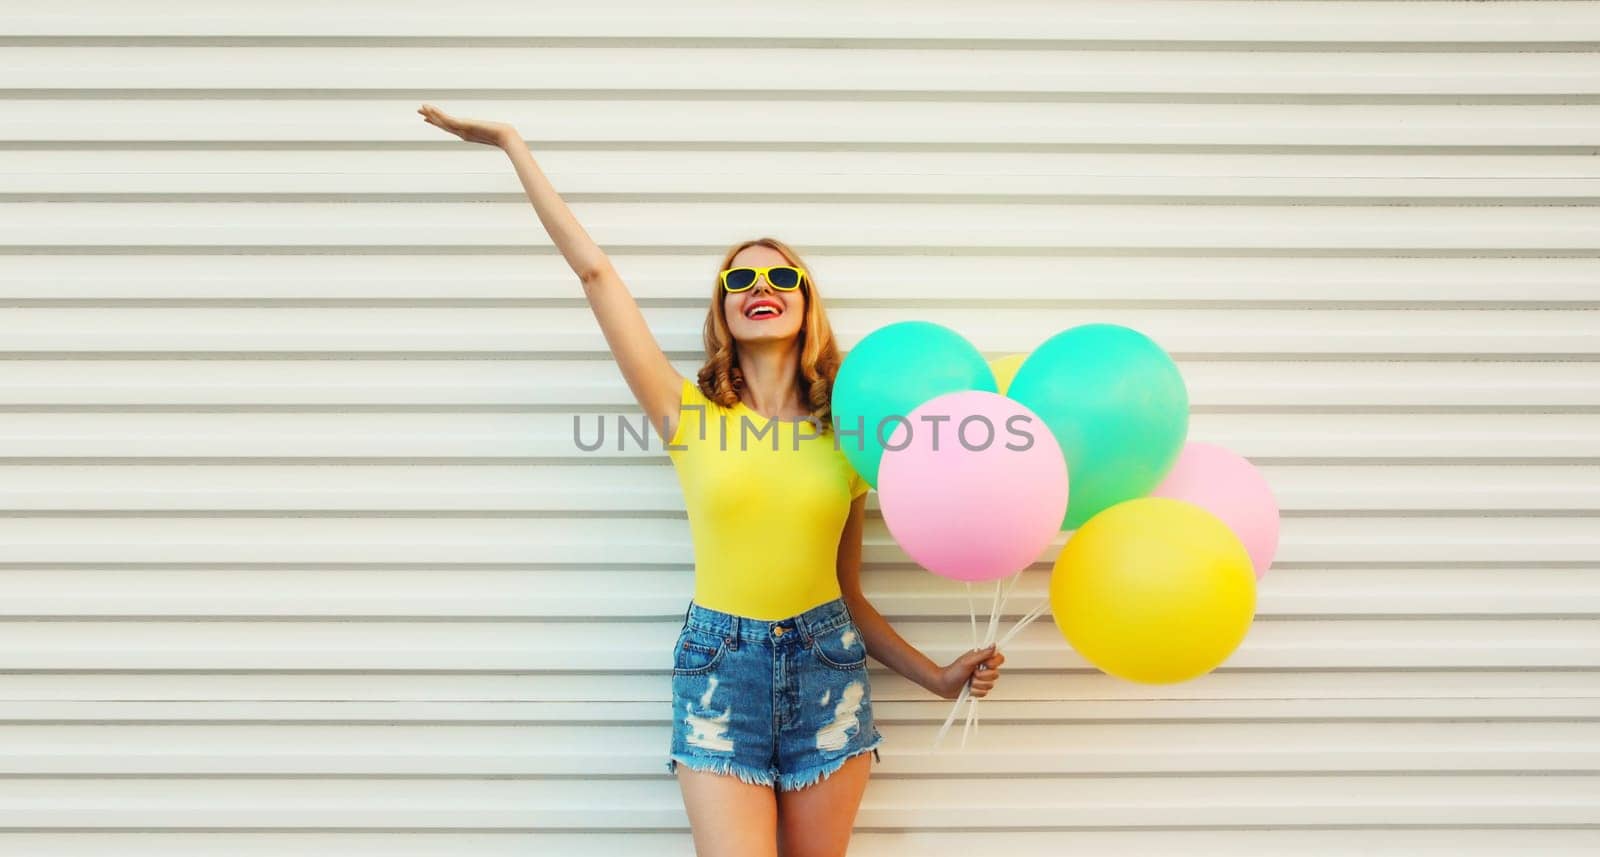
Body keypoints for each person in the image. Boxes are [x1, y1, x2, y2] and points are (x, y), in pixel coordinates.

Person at [419, 103, 1006, 857]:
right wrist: (511, 145)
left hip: (828, 666)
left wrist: (937, 677)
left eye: (782, 274)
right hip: (718, 672)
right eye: (742, 278)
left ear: (805, 301)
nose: (761, 284)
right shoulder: (684, 411)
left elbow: (850, 595)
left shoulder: (850, 434)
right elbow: (595, 272)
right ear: (724, 310)